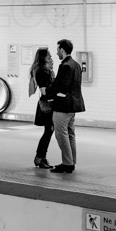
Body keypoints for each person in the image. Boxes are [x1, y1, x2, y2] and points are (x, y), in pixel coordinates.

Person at [48, 38, 86, 173]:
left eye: (57, 49)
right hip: (73, 105)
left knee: (61, 134)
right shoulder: (76, 64)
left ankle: (67, 163)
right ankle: (71, 161)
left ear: (62, 50)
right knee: (70, 134)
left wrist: (51, 92)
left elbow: (62, 86)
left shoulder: (65, 65)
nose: (56, 52)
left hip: (63, 106)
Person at [27, 47, 56, 168]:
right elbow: (44, 90)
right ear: (43, 58)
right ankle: (39, 157)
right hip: (47, 104)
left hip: (46, 103)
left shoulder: (43, 70)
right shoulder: (42, 72)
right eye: (49, 56)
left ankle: (41, 157)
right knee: (48, 131)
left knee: (48, 131)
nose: (51, 57)